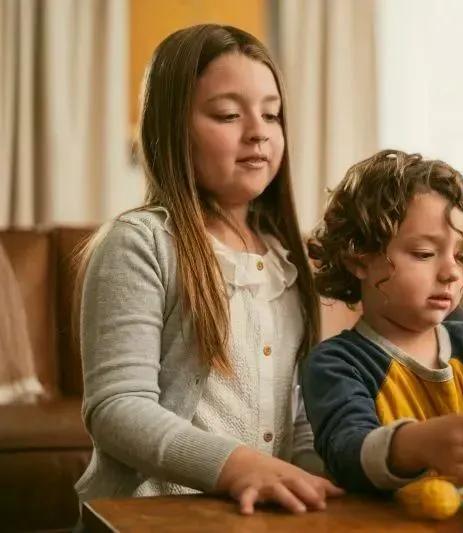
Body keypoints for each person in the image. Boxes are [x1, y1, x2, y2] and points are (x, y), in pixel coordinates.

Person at [74, 24, 342, 516]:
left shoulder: (287, 256)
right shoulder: (141, 242)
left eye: (271, 114)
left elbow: (299, 410)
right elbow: (116, 409)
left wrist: (320, 474)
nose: (258, 130)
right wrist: (237, 465)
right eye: (227, 114)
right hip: (152, 513)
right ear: (172, 127)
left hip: (254, 514)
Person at [302, 149, 463, 493]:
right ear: (360, 260)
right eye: (424, 254)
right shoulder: (336, 364)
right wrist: (417, 444)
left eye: (460, 255)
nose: (451, 272)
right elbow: (346, 455)